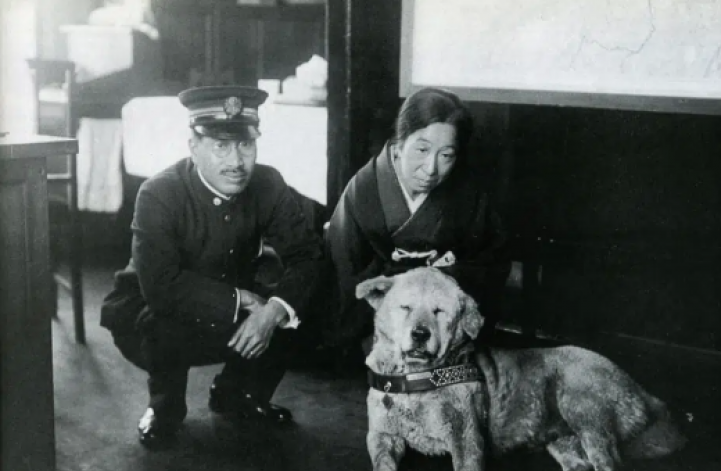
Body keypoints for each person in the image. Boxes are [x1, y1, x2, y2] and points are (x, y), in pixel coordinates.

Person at [100, 86, 325, 448]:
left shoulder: (268, 183)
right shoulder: (160, 193)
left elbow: (308, 257)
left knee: (299, 302)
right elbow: (160, 288)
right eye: (221, 146)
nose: (236, 161)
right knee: (163, 322)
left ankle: (238, 393)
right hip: (149, 314)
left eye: (245, 145)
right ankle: (164, 407)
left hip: (232, 310)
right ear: (194, 146)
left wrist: (271, 313)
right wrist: (238, 300)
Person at [326, 87, 511, 351]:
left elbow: (490, 262)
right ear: (400, 143)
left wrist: (443, 278)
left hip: (443, 332)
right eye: (422, 149)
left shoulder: (468, 196)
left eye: (446, 155)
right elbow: (345, 272)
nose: (431, 168)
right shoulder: (363, 191)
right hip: (379, 332)